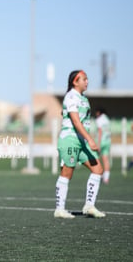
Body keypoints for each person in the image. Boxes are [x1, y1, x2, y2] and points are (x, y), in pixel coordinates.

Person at [54, 70, 106, 219]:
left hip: (81, 140)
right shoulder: (71, 96)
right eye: (84, 79)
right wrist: (90, 139)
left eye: (87, 79)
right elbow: (76, 122)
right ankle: (59, 209)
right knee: (67, 173)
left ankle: (89, 206)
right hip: (70, 139)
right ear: (75, 82)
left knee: (98, 169)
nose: (87, 81)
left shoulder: (82, 98)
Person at [95, 108, 111, 184]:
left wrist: (98, 144)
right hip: (108, 141)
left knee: (96, 158)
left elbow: (100, 131)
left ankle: (99, 174)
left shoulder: (99, 119)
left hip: (101, 141)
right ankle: (106, 178)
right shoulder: (107, 119)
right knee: (106, 160)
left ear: (99, 112)